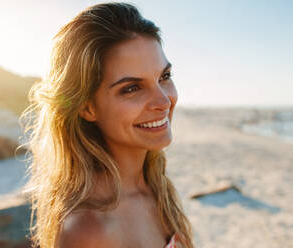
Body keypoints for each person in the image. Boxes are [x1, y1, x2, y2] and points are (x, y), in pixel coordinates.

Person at [22, 2, 194, 248]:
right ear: (87, 107)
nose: (163, 101)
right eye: (132, 88)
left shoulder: (156, 188)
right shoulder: (90, 230)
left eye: (164, 77)